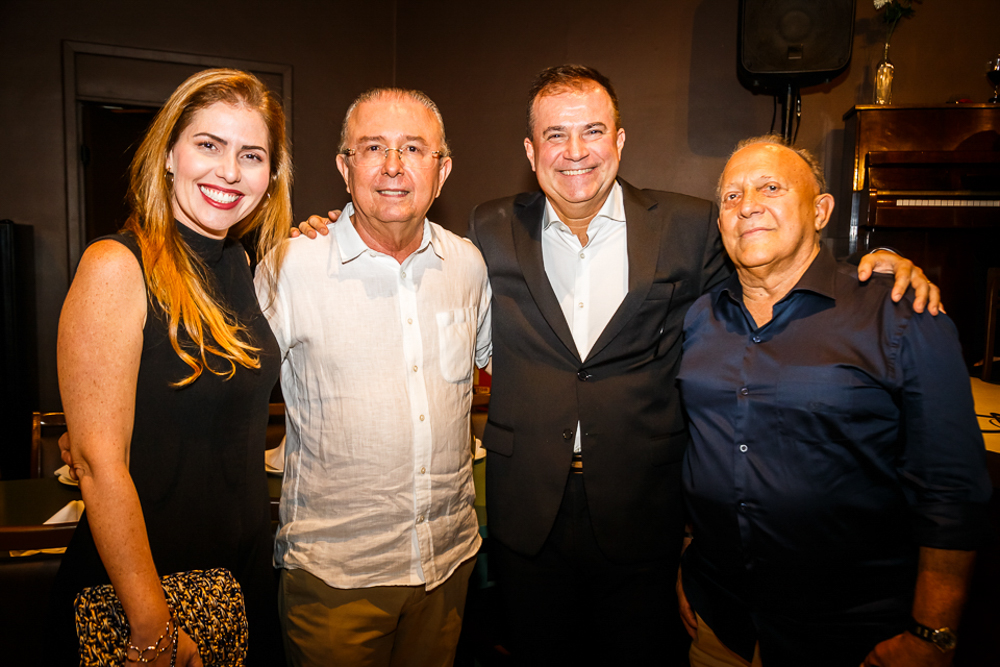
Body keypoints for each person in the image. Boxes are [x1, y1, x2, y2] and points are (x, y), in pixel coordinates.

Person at [298, 65, 939, 664]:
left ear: (620, 141)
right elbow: (401, 240)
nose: (575, 151)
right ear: (531, 151)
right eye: (555, 134)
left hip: (644, 513)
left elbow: (770, 275)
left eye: (593, 131)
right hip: (528, 515)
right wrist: (336, 226)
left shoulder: (690, 225)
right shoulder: (488, 229)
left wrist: (867, 265)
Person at [676, 136, 991, 667]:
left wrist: (932, 634)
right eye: (731, 196)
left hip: (851, 639)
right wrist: (690, 559)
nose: (747, 205)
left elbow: (952, 489)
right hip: (719, 623)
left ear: (820, 211)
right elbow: (694, 449)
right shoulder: (699, 319)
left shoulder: (899, 313)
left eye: (770, 188)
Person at [48, 68, 291, 666]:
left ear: (271, 176)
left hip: (242, 577)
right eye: (209, 145)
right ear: (168, 156)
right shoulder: (116, 266)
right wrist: (151, 622)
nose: (229, 171)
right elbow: (98, 464)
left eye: (251, 155)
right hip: (147, 594)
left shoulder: (241, 265)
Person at [254, 87, 491, 666]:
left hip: (447, 566)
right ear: (345, 168)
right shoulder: (291, 268)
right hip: (336, 579)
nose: (392, 166)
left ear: (442, 170)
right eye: (372, 148)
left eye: (413, 148)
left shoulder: (468, 265)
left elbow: (490, 375)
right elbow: (224, 397)